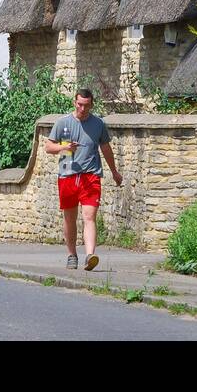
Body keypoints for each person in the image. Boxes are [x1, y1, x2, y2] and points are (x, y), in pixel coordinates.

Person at [45, 88, 122, 270]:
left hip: (91, 175)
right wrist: (64, 147)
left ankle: (90, 256)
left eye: (86, 105)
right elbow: (48, 147)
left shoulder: (98, 124)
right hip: (67, 175)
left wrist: (114, 171)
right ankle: (72, 255)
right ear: (74, 102)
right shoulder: (63, 122)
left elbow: (105, 149)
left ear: (91, 104)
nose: (82, 109)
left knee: (89, 216)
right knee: (70, 218)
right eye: (79, 104)